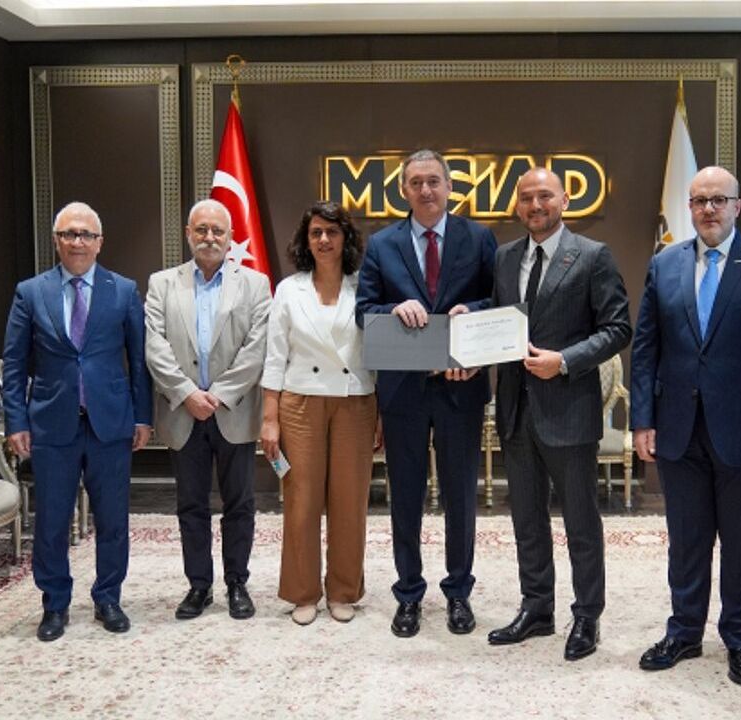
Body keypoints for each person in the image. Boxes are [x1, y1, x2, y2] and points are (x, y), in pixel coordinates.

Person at [629, 166, 741, 685]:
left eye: (718, 200)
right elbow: (646, 348)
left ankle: (740, 638)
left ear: (737, 206)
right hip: (677, 428)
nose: (708, 209)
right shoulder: (664, 264)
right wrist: (642, 419)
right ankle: (684, 632)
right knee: (686, 541)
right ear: (689, 208)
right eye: (699, 200)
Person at [487, 167, 631, 661]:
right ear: (517, 205)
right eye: (526, 197)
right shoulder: (505, 257)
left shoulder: (592, 256)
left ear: (565, 200)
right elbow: (497, 321)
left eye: (544, 195)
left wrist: (564, 360)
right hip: (515, 410)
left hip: (569, 410)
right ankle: (537, 608)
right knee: (526, 520)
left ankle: (587, 615)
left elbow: (617, 328)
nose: (535, 205)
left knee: (580, 524)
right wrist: (469, 326)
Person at [355, 149, 497, 638]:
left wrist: (472, 311)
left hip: (462, 386)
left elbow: (499, 301)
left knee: (460, 496)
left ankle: (458, 592)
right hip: (404, 392)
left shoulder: (478, 238)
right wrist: (393, 309)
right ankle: (409, 594)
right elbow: (364, 309)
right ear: (404, 190)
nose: (426, 190)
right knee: (406, 496)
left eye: (434, 180)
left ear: (450, 186)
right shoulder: (382, 244)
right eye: (416, 182)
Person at [1, 201, 153, 642]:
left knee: (113, 519)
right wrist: (16, 421)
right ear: (57, 241)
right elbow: (15, 363)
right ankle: (54, 604)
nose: (78, 242)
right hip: (52, 425)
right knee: (51, 520)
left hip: (111, 423)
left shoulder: (122, 290)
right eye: (69, 234)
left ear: (100, 242)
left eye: (86, 234)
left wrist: (143, 417)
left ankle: (108, 597)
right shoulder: (31, 292)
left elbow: (139, 361)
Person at [144, 198, 271, 622]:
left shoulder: (255, 284)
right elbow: (154, 347)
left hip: (233, 410)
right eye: (201, 230)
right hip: (183, 412)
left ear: (231, 236)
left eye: (218, 230)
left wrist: (217, 394)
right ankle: (199, 585)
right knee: (191, 506)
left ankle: (237, 583)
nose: (210, 237)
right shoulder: (162, 284)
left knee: (240, 504)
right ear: (188, 234)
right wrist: (187, 393)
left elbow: (257, 348)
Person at [262, 201, 378, 626]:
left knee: (350, 501)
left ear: (346, 238)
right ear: (305, 240)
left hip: (355, 401)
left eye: (332, 232)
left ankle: (344, 590)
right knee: (302, 500)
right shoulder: (288, 290)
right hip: (299, 402)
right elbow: (275, 356)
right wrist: (269, 418)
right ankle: (303, 591)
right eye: (316, 233)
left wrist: (381, 411)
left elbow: (377, 353)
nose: (324, 240)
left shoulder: (365, 286)